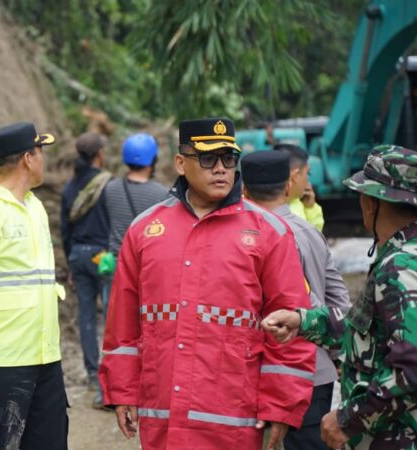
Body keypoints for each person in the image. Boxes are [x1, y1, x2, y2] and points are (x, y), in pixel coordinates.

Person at [100, 117, 316, 450]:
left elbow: (291, 323)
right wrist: (122, 390)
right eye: (208, 159)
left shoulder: (269, 232)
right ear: (180, 163)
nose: (220, 169)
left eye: (229, 159)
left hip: (235, 420)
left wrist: (281, 404)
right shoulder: (145, 230)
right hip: (164, 416)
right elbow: (123, 323)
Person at [262, 145, 417, 449]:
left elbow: (415, 370)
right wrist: (304, 321)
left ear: (372, 203)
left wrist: (349, 419)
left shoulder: (404, 267)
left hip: (409, 438)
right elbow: (370, 330)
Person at [0, 122, 68, 450]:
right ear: (27, 158)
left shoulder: (33, 206)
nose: (43, 160)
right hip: (0, 362)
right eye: (40, 152)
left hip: (45, 356)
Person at [240, 151, 351, 450]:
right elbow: (340, 305)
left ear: (243, 190)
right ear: (288, 187)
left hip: (259, 376)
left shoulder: (240, 240)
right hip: (314, 375)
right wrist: (338, 355)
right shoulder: (312, 235)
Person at [59, 132, 111, 393]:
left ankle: (92, 373)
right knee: (113, 316)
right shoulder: (108, 185)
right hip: (103, 256)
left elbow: (65, 230)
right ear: (99, 154)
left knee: (87, 317)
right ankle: (112, 371)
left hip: (78, 255)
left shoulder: (70, 187)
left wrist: (70, 263)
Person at [104, 132, 168, 257]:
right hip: (144, 262)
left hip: (116, 263)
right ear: (153, 160)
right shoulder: (161, 194)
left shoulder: (110, 188)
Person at [275, 144, 324, 232]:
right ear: (296, 176)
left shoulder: (298, 202)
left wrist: (310, 208)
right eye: (307, 174)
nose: (308, 182)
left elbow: (315, 237)